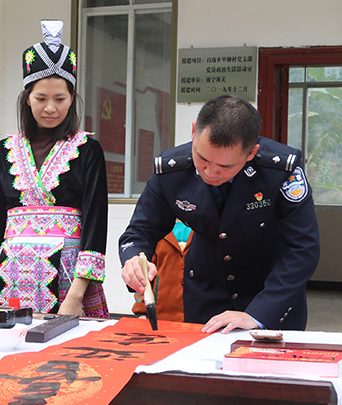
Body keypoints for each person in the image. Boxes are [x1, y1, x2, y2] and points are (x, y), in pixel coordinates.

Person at [119, 94, 320, 333]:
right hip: (205, 295)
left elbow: (303, 248)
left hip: (269, 296)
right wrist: (134, 258)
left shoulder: (280, 171)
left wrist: (257, 314)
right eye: (202, 158)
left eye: (225, 166)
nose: (210, 172)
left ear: (251, 153)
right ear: (193, 131)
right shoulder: (172, 170)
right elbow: (141, 230)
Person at [0, 20, 109, 318]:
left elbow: (96, 225)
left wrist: (75, 296)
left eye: (60, 99)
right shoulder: (3, 152)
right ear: (27, 99)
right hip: (9, 282)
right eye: (41, 98)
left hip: (69, 284)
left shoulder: (88, 150)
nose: (50, 108)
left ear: (72, 99)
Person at [131, 219, 192, 322]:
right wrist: (141, 311)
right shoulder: (154, 230)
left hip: (200, 315)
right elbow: (144, 274)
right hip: (161, 314)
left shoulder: (206, 226)